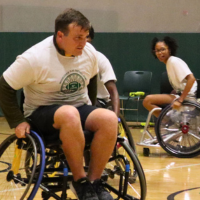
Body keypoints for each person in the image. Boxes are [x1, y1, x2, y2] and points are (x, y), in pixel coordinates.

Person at [0, 8, 118, 200]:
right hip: (42, 112)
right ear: (60, 36)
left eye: (86, 36)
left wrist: (92, 108)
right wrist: (17, 121)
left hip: (77, 106)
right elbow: (4, 86)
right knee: (69, 113)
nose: (84, 43)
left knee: (109, 118)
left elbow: (93, 79)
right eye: (78, 37)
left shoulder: (89, 53)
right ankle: (79, 182)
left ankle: (94, 183)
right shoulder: (34, 58)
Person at [143, 36, 197, 118]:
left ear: (170, 50)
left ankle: (166, 121)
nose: (160, 53)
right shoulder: (169, 62)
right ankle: (167, 121)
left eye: (163, 49)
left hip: (187, 98)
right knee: (148, 100)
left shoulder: (173, 61)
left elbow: (191, 79)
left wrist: (180, 100)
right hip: (181, 95)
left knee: (147, 100)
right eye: (157, 50)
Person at [87, 26, 120, 117]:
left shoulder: (100, 58)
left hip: (99, 101)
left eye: (86, 37)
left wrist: (115, 119)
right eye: (78, 37)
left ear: (91, 40)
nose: (82, 42)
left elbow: (113, 91)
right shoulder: (69, 60)